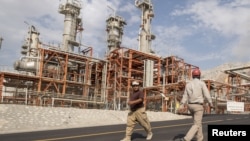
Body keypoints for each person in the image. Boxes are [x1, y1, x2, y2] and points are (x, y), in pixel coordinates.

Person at [177, 68, 214, 141]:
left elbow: (185, 96)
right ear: (199, 75)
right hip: (198, 106)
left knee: (198, 123)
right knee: (196, 124)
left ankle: (200, 139)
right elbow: (206, 94)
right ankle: (186, 138)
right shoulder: (201, 83)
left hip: (190, 106)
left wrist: (181, 104)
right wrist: (210, 102)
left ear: (192, 76)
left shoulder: (188, 84)